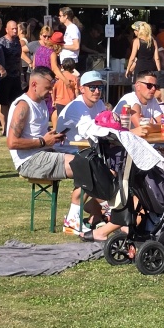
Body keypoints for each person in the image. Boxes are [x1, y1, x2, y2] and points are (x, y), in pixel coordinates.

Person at [58, 71, 112, 236]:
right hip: (65, 150)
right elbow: (91, 130)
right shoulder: (77, 107)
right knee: (94, 169)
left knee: (111, 166)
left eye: (100, 87)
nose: (97, 91)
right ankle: (107, 209)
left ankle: (95, 214)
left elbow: (105, 124)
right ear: (82, 89)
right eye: (92, 87)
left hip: (85, 149)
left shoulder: (99, 104)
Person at [6, 66, 75, 182]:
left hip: (43, 154)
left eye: (51, 88)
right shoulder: (23, 105)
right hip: (28, 161)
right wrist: (43, 141)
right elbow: (12, 143)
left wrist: (53, 136)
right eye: (48, 88)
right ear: (34, 85)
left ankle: (81, 194)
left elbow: (36, 131)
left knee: (88, 161)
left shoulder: (41, 102)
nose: (51, 91)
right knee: (81, 165)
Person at [0, 20, 24, 127]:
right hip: (5, 77)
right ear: (6, 29)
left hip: (16, 76)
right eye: (12, 28)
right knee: (3, 102)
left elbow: (19, 59)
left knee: (16, 101)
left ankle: (14, 125)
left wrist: (21, 74)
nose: (15, 30)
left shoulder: (17, 42)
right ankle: (4, 126)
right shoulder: (1, 42)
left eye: (16, 28)